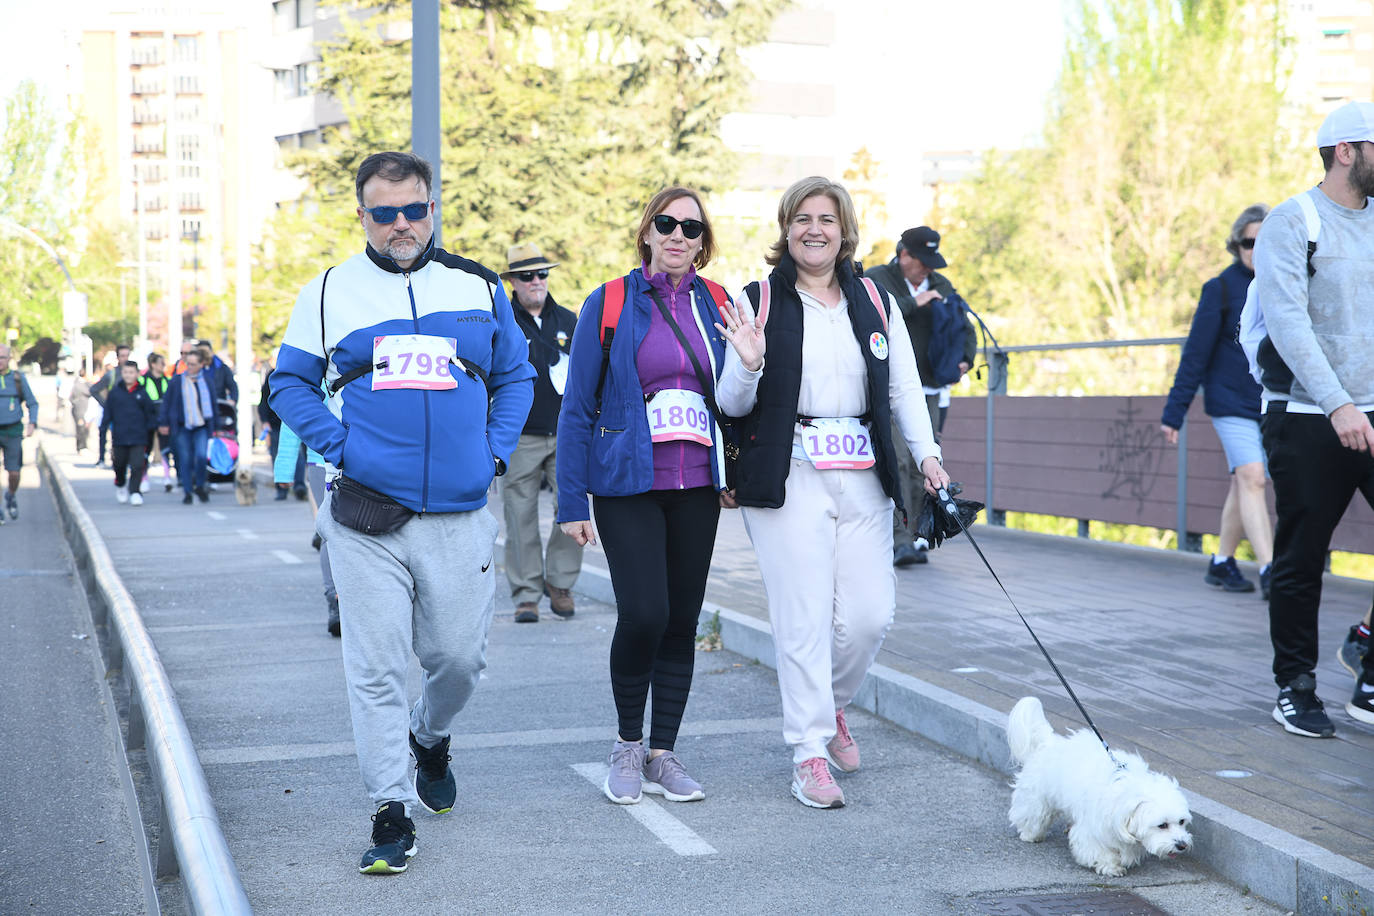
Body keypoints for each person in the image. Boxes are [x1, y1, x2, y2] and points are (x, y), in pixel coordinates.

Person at [268, 151, 534, 874]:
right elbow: (287, 384)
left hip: (458, 512)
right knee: (375, 666)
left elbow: (517, 375)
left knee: (458, 658)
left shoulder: (477, 287)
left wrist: (495, 455)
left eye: (413, 209)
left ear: (431, 207)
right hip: (365, 518)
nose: (400, 225)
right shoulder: (328, 290)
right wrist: (340, 445)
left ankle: (430, 736)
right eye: (383, 213)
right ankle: (391, 809)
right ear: (363, 216)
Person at [715, 176, 950, 809]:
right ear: (786, 229)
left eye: (827, 219)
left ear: (845, 232)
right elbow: (730, 402)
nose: (814, 229)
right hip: (788, 469)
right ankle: (809, 753)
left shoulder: (874, 299)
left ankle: (832, 707)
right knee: (805, 617)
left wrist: (928, 457)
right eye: (802, 219)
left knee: (870, 614)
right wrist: (747, 360)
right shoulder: (758, 298)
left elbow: (903, 388)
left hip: (863, 468)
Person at [557, 186, 734, 807]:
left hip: (698, 487)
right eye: (667, 223)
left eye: (691, 227)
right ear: (647, 232)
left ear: (703, 241)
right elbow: (577, 407)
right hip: (628, 482)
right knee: (646, 614)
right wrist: (572, 502)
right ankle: (627, 743)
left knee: (682, 620)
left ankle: (663, 752)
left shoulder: (720, 304)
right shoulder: (608, 302)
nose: (678, 235)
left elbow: (738, 393)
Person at [1253, 101, 1374, 738]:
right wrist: (1339, 403)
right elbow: (1288, 322)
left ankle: (1369, 660)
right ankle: (1295, 687)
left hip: (1373, 412)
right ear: (1347, 151)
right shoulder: (1291, 221)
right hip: (1307, 415)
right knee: (1303, 556)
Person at [1161, 204, 1275, 597]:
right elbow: (1195, 354)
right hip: (1229, 403)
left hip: (1271, 402)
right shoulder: (1221, 289)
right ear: (1236, 245)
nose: (1255, 250)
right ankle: (1272, 572)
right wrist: (1174, 414)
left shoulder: (1286, 283)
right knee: (1254, 478)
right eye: (1248, 242)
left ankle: (1222, 562)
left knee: (1243, 484)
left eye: (1264, 241)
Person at [865, 227, 976, 567]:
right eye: (921, 261)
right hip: (888, 391)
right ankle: (898, 540)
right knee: (897, 461)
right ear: (904, 256)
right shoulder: (877, 278)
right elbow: (874, 313)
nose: (927, 269)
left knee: (922, 466)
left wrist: (965, 359)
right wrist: (917, 301)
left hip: (928, 389)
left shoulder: (941, 285)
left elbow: (966, 325)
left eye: (932, 262)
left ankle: (914, 536)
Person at [499, 241, 582, 623]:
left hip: (565, 434)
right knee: (519, 517)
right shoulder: (500, 323)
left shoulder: (568, 321)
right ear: (512, 281)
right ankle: (526, 594)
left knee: (572, 508)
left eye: (542, 273)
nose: (536, 281)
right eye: (526, 275)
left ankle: (560, 583)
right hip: (519, 437)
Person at [158, 349, 214, 505]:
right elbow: (167, 403)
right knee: (185, 459)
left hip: (201, 425)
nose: (190, 367)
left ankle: (200, 486)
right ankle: (188, 491)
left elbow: (213, 405)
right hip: (182, 426)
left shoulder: (207, 381)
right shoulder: (177, 381)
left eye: (193, 364)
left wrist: (215, 427)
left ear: (201, 365)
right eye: (187, 364)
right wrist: (164, 422)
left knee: (202, 457)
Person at [106, 360, 158, 506]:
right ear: (122, 373)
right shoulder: (115, 393)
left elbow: (150, 415)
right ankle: (121, 483)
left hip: (138, 437)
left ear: (137, 374)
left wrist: (150, 431)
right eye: (125, 372)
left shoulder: (142, 393)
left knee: (137, 465)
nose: (128, 375)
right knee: (119, 464)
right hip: (120, 437)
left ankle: (135, 491)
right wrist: (104, 431)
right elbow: (107, 415)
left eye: (131, 372)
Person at [0, 344, 39, 521]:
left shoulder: (17, 378)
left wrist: (32, 423)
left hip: (13, 430)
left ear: (9, 359)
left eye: (2, 357)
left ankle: (11, 494)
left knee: (14, 472)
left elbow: (32, 402)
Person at [91, 344, 132, 467]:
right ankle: (103, 458)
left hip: (129, 412)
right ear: (118, 357)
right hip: (114, 412)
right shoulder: (112, 374)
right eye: (122, 356)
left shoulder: (135, 373)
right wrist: (106, 405)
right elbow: (94, 389)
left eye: (127, 355)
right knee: (107, 433)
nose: (125, 358)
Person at [140, 354, 173, 493]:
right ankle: (144, 478)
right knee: (146, 449)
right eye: (161, 363)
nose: (163, 366)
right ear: (153, 364)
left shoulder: (167, 380)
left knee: (165, 448)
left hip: (163, 418)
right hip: (147, 418)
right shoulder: (143, 380)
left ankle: (167, 477)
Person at [69, 369, 93, 455]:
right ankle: (81, 447)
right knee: (81, 429)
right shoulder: (79, 385)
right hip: (79, 410)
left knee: (83, 429)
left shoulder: (79, 384)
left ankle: (83, 446)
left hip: (83, 409)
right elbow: (89, 392)